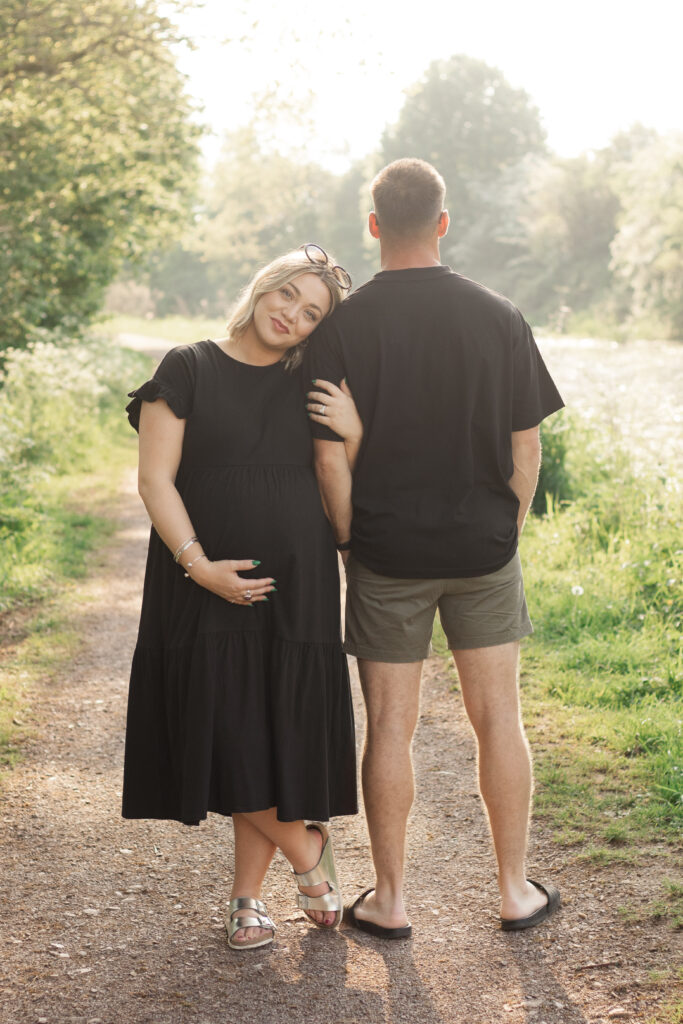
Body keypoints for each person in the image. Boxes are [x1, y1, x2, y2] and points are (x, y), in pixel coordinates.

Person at [305, 158, 565, 938]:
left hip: (386, 556)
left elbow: (328, 458)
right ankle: (514, 891)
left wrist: (352, 540)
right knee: (499, 720)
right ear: (443, 223)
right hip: (484, 550)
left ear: (374, 225)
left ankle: (390, 902)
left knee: (389, 728)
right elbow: (527, 452)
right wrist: (500, 536)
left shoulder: (341, 327)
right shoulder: (498, 315)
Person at [122, 244, 363, 951]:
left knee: (268, 734)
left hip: (299, 579)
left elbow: (338, 478)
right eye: (287, 295)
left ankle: (245, 901)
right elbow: (154, 481)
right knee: (225, 729)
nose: (292, 314)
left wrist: (355, 433)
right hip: (201, 580)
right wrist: (199, 567)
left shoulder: (313, 379)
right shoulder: (187, 365)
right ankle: (308, 854)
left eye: (311, 311)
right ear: (263, 288)